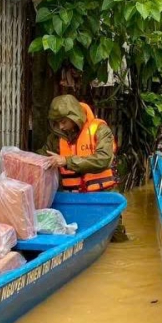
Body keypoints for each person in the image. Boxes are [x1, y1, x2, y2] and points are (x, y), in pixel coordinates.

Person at [38, 95, 127, 241]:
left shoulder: (100, 130)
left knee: (117, 238)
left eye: (63, 122)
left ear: (74, 117)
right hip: (75, 199)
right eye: (57, 123)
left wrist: (66, 161)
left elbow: (103, 159)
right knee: (77, 233)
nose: (61, 127)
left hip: (104, 196)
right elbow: (41, 157)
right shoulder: (56, 138)